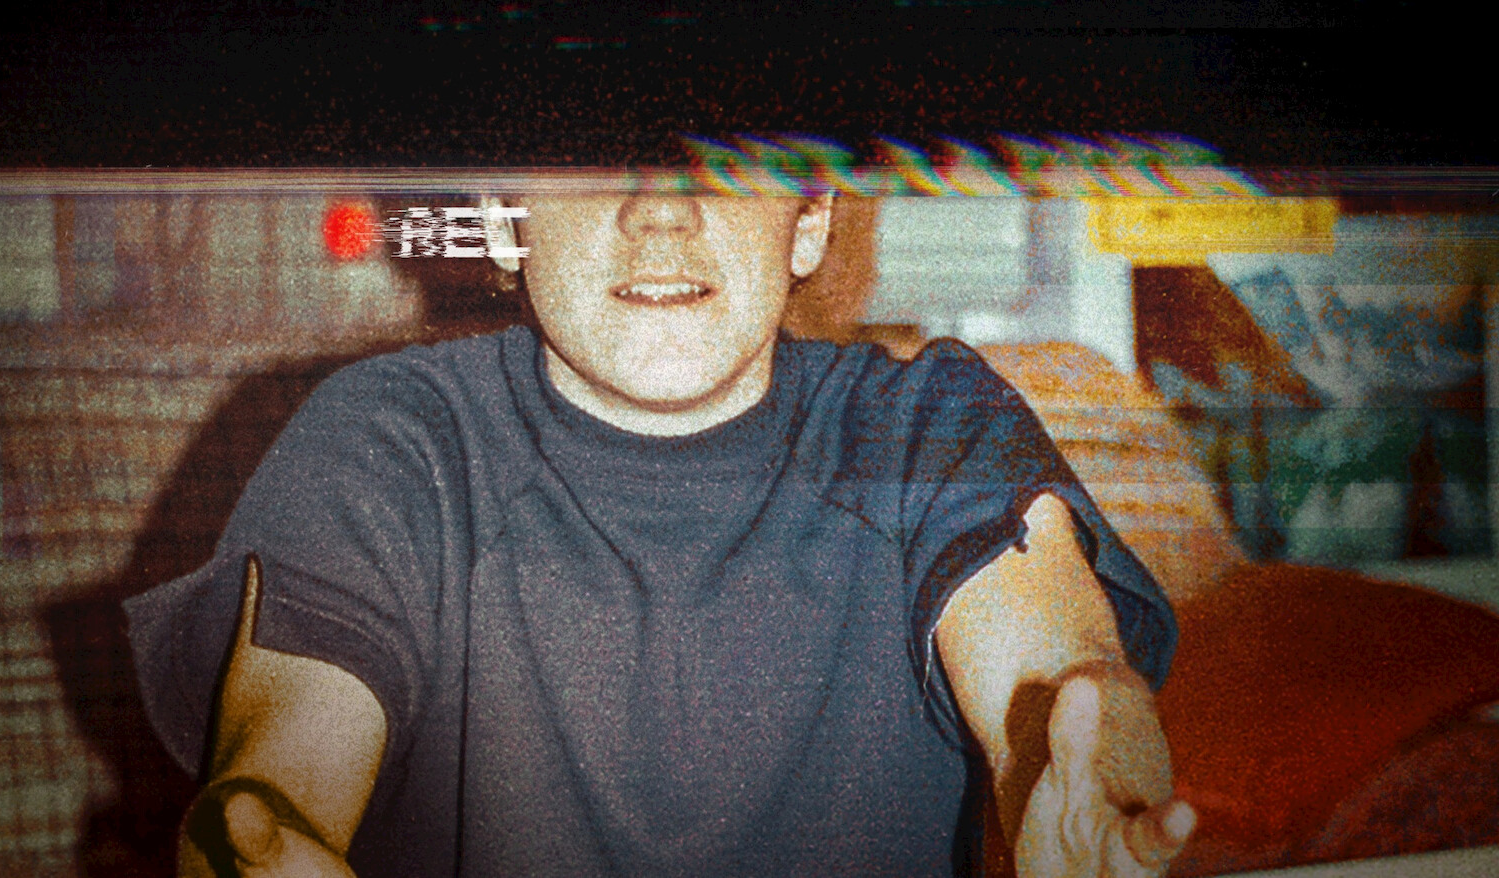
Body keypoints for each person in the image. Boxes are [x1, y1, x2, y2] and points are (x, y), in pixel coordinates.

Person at [124, 186, 1195, 877]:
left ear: (811, 217)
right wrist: (257, 835)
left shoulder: (932, 422)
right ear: (501, 216)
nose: (661, 211)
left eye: (722, 153)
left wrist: (1096, 773)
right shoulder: (390, 439)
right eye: (594, 149)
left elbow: (1062, 677)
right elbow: (276, 781)